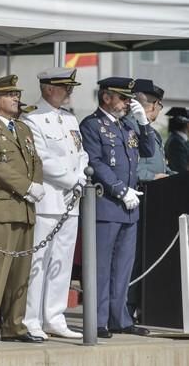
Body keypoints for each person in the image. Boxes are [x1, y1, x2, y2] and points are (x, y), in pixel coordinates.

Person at [79, 77, 154, 338]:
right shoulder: (92, 125)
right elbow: (95, 161)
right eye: (122, 98)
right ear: (106, 97)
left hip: (129, 209)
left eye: (128, 99)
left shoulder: (126, 126)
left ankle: (119, 318)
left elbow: (147, 150)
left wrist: (143, 122)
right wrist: (120, 189)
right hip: (107, 204)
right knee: (101, 267)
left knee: (123, 267)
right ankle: (98, 320)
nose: (126, 103)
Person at [0, 74, 45, 344]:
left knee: (20, 271)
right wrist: (28, 186)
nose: (16, 98)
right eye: (10, 94)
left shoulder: (22, 129)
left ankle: (15, 324)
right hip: (0, 206)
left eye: (16, 94)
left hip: (24, 207)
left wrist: (34, 185)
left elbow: (35, 161)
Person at [21, 68, 88, 340]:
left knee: (62, 261)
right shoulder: (32, 118)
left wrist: (81, 176)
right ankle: (32, 317)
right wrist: (72, 179)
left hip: (71, 201)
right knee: (39, 261)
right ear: (48, 89)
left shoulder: (70, 119)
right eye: (64, 88)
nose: (69, 92)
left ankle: (55, 316)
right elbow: (41, 159)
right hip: (48, 198)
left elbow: (81, 152)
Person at [126, 79, 172, 322]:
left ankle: (136, 307)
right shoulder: (129, 127)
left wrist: (173, 177)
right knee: (131, 260)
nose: (159, 111)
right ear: (150, 105)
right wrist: (151, 176)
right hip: (135, 199)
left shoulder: (150, 131)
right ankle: (125, 307)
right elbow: (128, 167)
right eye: (159, 105)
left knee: (143, 258)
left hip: (154, 200)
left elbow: (160, 166)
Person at [165, 107, 189, 173]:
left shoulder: (179, 140)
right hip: (180, 180)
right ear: (187, 125)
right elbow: (182, 168)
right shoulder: (176, 143)